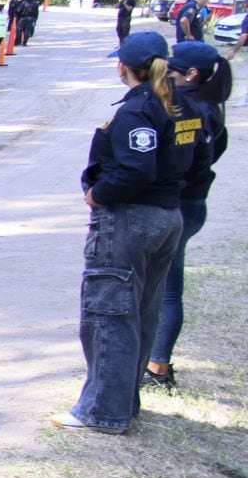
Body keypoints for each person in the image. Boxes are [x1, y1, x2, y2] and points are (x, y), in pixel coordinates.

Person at [52, 31, 196, 433]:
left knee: (110, 314)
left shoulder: (137, 111)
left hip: (131, 219)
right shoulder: (182, 104)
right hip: (167, 215)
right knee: (142, 312)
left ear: (124, 68)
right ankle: (123, 403)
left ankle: (102, 411)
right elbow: (203, 156)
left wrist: (98, 193)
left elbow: (136, 169)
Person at [146, 41, 227, 391]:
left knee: (166, 291)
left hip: (182, 204)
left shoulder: (197, 110)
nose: (168, 73)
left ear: (191, 74)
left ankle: (157, 367)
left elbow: (191, 162)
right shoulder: (207, 105)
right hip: (190, 203)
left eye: (174, 69)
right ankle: (155, 362)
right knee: (164, 288)